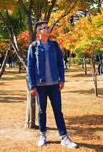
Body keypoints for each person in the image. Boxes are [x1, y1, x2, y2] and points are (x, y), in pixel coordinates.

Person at [27, 21, 78, 149]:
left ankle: (64, 137)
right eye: (44, 28)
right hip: (40, 85)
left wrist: (62, 80)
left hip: (54, 84)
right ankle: (43, 135)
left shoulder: (54, 45)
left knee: (58, 111)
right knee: (41, 111)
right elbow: (30, 67)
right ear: (39, 32)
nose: (48, 29)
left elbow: (60, 63)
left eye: (48, 27)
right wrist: (32, 86)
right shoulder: (33, 47)